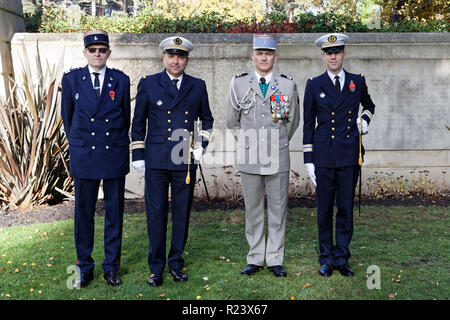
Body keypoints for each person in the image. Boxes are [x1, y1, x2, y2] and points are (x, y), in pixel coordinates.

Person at [131, 36, 214, 287]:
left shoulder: (197, 86)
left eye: (180, 56)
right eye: (171, 56)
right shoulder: (149, 83)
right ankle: (156, 268)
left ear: (187, 59)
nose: (175, 60)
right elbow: (138, 123)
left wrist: (202, 145)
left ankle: (176, 263)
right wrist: (138, 154)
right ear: (164, 58)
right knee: (155, 215)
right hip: (156, 160)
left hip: (184, 160)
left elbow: (207, 120)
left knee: (181, 214)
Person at [61, 29, 131, 288]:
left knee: (114, 213)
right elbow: (68, 119)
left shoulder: (121, 81)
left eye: (102, 50)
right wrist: (80, 145)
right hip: (85, 154)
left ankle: (111, 267)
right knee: (84, 214)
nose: (98, 54)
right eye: (93, 50)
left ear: (109, 53)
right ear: (85, 53)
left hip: (113, 153)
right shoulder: (71, 80)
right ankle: (84, 266)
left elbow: (125, 117)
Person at [227, 34, 300, 278]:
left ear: (275, 57)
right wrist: (250, 145)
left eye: (268, 53)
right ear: (253, 56)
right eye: (260, 53)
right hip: (249, 157)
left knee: (278, 209)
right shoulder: (238, 84)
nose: (264, 57)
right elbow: (232, 121)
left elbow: (291, 122)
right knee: (253, 209)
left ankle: (275, 258)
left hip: (277, 157)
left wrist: (276, 143)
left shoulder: (286, 85)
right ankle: (256, 257)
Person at [303, 33, 375, 277]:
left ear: (344, 54)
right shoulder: (314, 84)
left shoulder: (357, 81)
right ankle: (326, 257)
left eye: (337, 52)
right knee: (324, 209)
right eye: (328, 52)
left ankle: (342, 257)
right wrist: (308, 160)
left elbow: (370, 105)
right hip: (323, 157)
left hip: (348, 155)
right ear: (323, 56)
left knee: (345, 208)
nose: (333, 56)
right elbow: (307, 125)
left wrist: (365, 119)